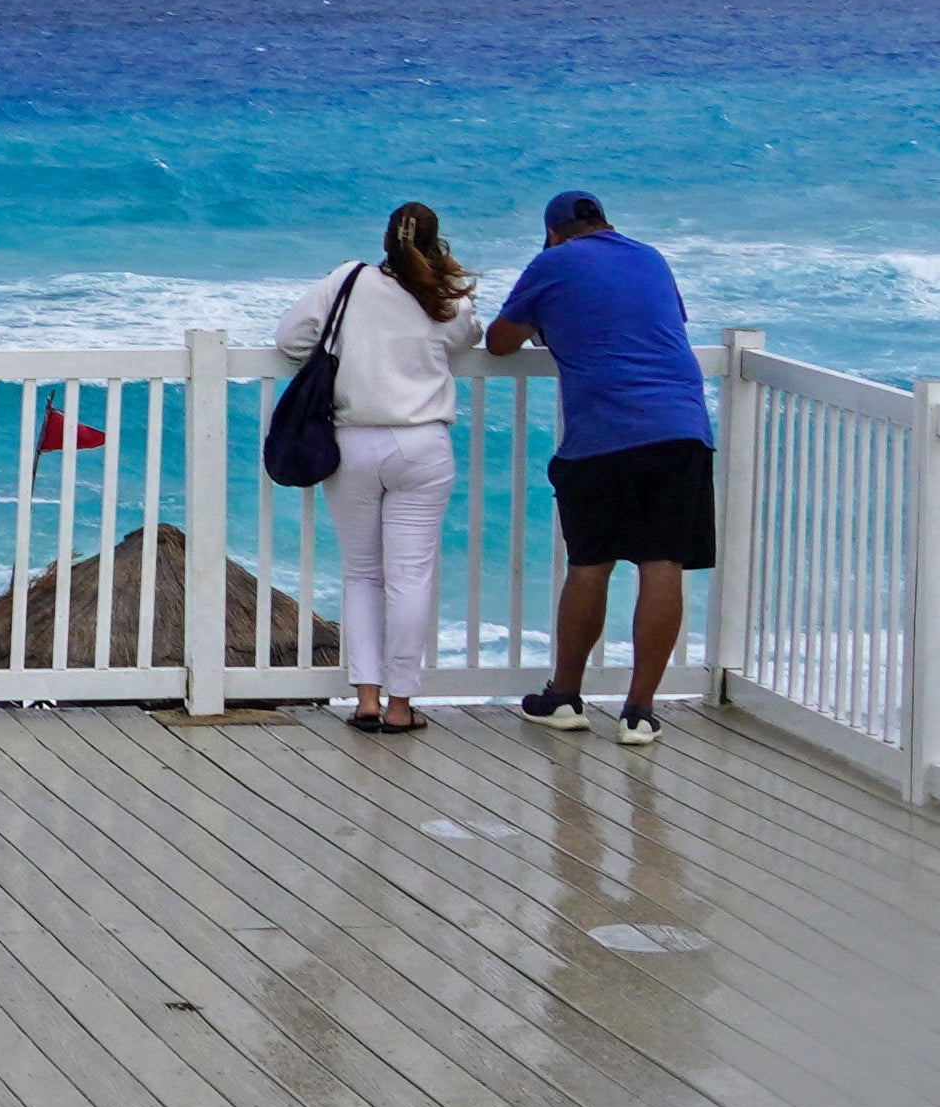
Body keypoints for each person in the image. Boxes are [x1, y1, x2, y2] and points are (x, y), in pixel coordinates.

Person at [482, 188, 709, 746]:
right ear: (606, 222)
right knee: (662, 564)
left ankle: (564, 696)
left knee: (590, 565)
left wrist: (544, 325)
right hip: (680, 425)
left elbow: (499, 343)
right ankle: (639, 711)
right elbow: (663, 322)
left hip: (603, 434)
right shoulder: (650, 257)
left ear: (554, 232)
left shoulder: (552, 262)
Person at [271, 202, 472, 736]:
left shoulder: (347, 280)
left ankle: (364, 699)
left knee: (362, 574)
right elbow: (465, 341)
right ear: (436, 245)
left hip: (354, 442)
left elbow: (289, 339)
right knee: (409, 577)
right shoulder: (445, 297)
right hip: (422, 444)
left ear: (384, 239)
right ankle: (401, 706)